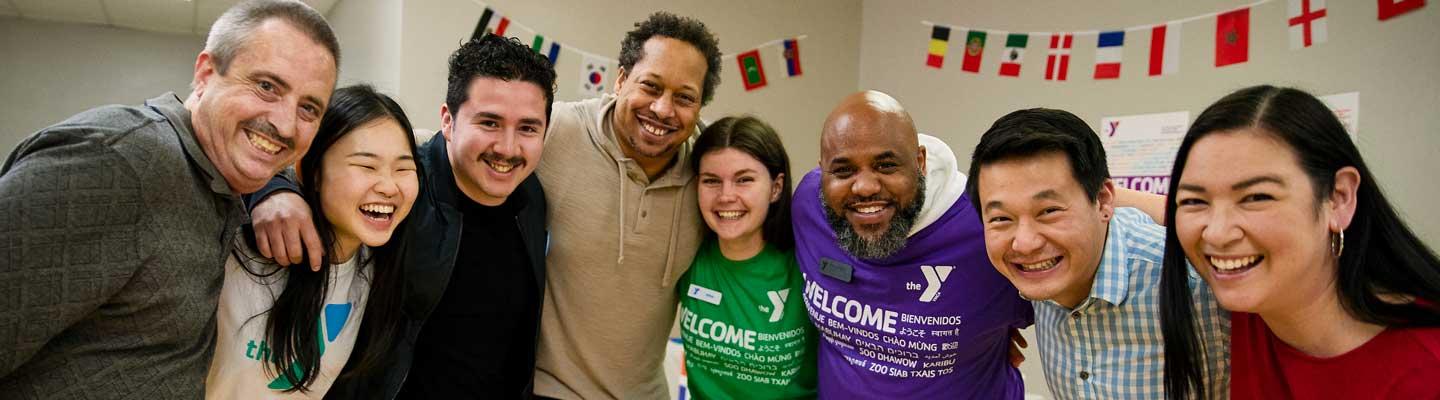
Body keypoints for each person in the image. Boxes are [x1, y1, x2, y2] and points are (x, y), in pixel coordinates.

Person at [0, 0, 337, 397]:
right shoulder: (119, 161)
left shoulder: (215, 178)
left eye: (308, 108)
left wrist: (277, 188)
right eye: (266, 86)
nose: (284, 123)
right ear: (206, 73)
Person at [246, 34, 555, 399]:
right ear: (448, 120)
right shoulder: (402, 190)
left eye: (528, 128)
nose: (507, 147)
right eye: (489, 123)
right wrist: (269, 191)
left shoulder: (533, 197)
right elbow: (315, 157)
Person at [1160, 85, 1440, 399]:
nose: (1216, 233)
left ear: (1339, 198)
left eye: (1257, 197)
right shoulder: (1258, 295)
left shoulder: (1425, 371)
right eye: (1195, 201)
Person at [967, 108, 1228, 399]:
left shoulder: (1197, 282)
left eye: (1049, 211)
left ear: (1104, 200)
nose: (1025, 244)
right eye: (1002, 218)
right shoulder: (1020, 273)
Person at [791, 90, 1033, 398]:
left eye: (886, 165)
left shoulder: (986, 224)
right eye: (843, 170)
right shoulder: (810, 206)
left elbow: (1072, 288)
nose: (865, 187)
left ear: (920, 162)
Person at [532, 12, 721, 399]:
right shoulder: (560, 131)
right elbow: (453, 149)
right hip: (548, 388)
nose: (663, 110)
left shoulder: (712, 172)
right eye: (650, 86)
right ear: (619, 80)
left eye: (684, 97)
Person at [206, 84, 419, 398]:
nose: (389, 186)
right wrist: (268, 189)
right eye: (366, 166)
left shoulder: (377, 270)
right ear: (310, 172)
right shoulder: (240, 246)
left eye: (404, 168)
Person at [676, 116, 817, 399]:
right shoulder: (685, 254)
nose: (726, 196)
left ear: (776, 188)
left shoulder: (806, 264)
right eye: (711, 181)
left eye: (744, 180)